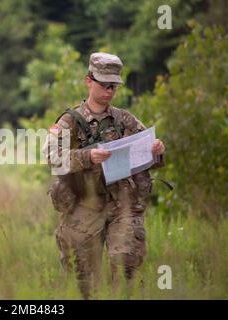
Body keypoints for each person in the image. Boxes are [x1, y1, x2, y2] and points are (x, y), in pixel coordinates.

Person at [43, 52, 166, 299]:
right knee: (83, 280)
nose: (109, 90)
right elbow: (51, 156)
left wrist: (156, 152)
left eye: (114, 86)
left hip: (123, 204)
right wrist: (87, 157)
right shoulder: (69, 121)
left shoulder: (124, 119)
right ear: (88, 80)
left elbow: (147, 156)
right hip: (83, 206)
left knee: (126, 270)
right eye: (104, 84)